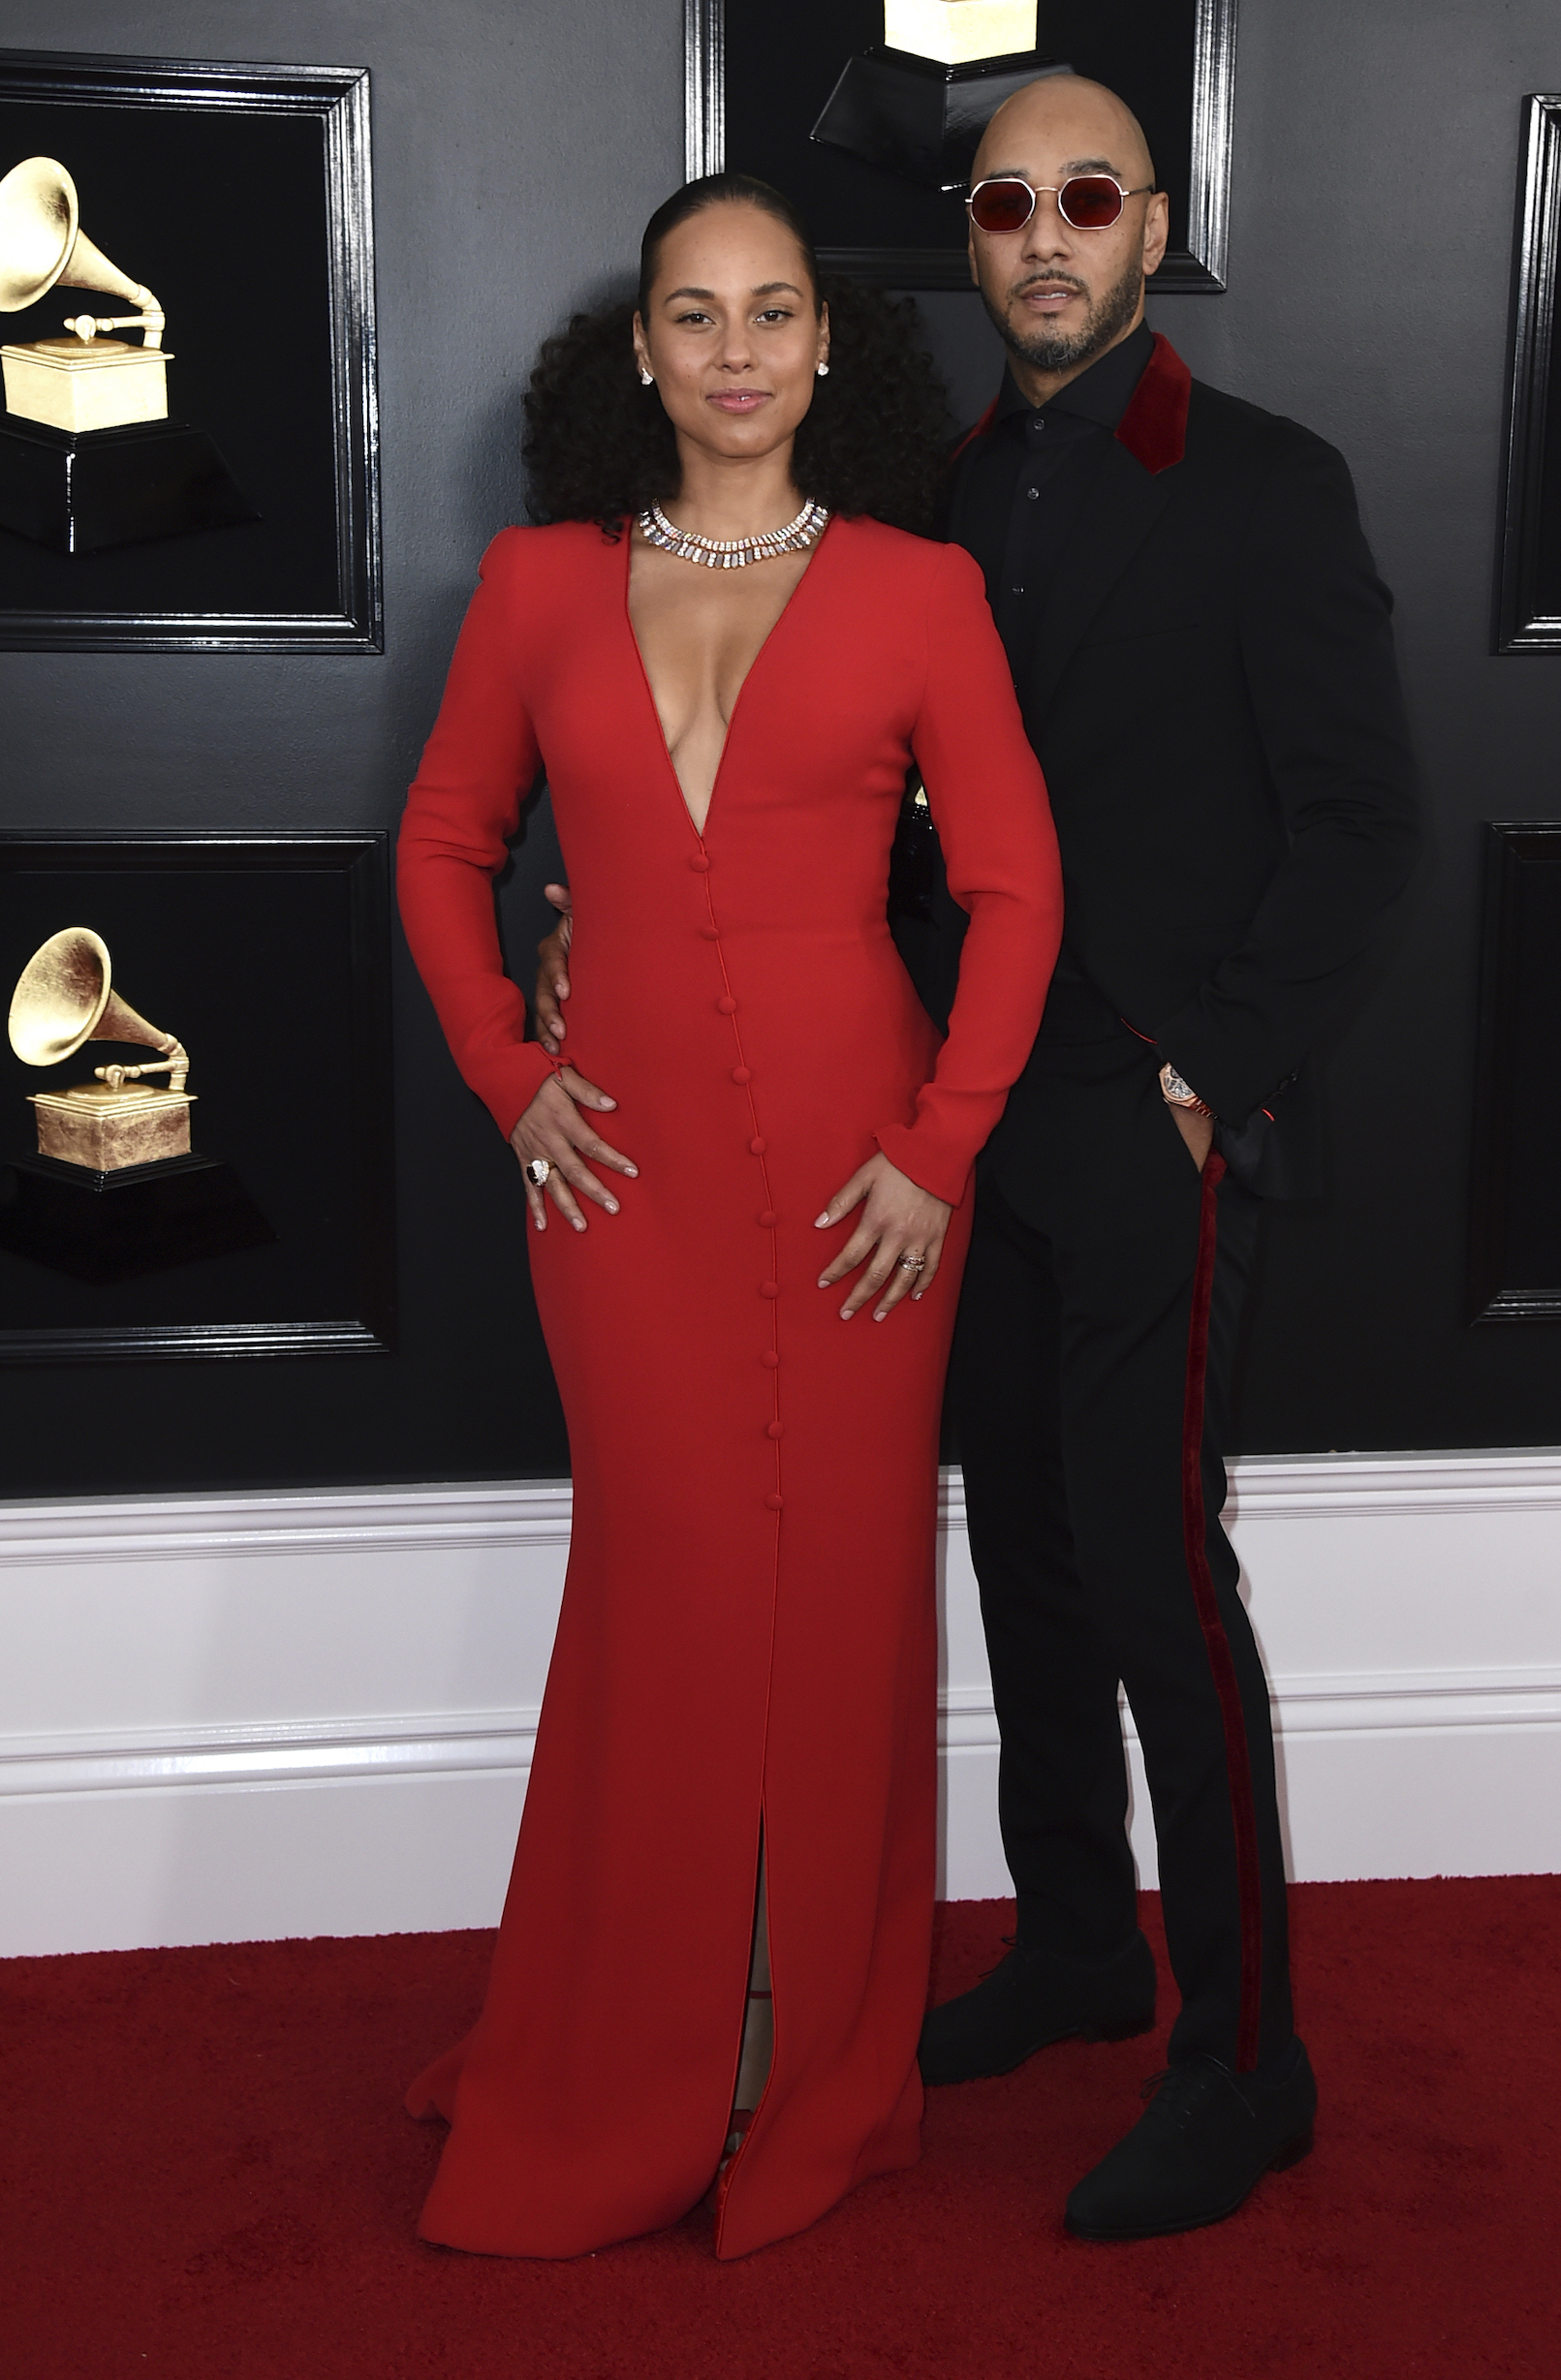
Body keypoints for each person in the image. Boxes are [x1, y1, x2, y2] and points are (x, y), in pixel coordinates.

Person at [536, 76, 1420, 2245]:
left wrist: (1207, 1074)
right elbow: (856, 818)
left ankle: (1248, 2055)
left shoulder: (1267, 485)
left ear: (1153, 225)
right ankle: (1079, 1941)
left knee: (1151, 1574)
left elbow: (1362, 823)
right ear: (975, 237)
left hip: (1152, 1115)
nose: (1045, 235)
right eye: (1008, 201)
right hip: (947, 1128)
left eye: (1087, 198)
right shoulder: (917, 500)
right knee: (1019, 1556)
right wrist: (596, 927)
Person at [396, 171, 1063, 2262]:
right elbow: (439, 847)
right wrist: (515, 1072)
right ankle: (640, 2042)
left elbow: (1022, 893)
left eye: (777, 310)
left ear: (828, 344)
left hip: (870, 1184)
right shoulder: (531, 587)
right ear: (644, 353)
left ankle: (819, 2056)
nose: (742, 350)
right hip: (625, 1185)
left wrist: (941, 1148)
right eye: (697, 314)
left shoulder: (917, 592)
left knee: (850, 1602)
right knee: (671, 1595)